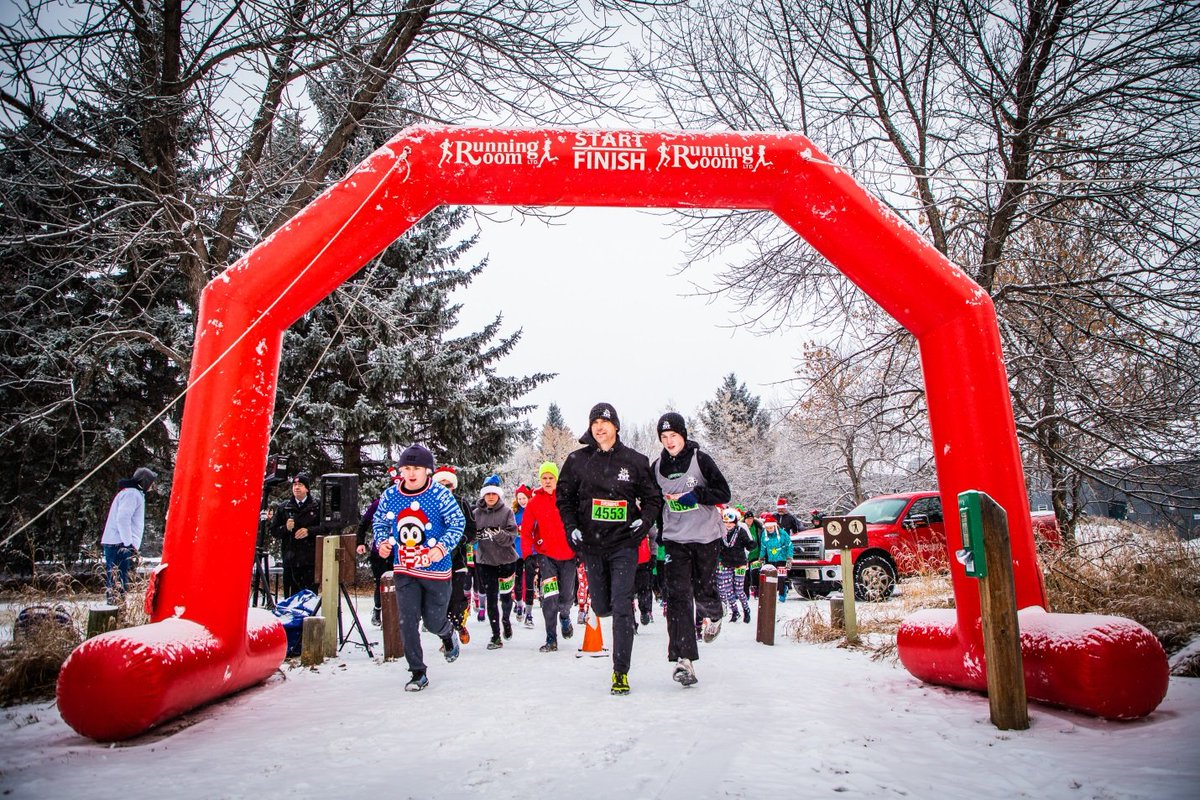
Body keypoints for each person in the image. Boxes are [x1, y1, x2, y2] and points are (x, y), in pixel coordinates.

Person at [556, 402, 663, 695]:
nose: (599, 427)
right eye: (594, 422)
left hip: (623, 545)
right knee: (603, 606)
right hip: (592, 544)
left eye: (605, 421)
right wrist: (571, 527)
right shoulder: (577, 460)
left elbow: (654, 499)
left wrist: (642, 524)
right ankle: (609, 614)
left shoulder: (635, 461)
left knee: (622, 605)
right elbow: (563, 498)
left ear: (616, 425)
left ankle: (620, 672)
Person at [373, 444, 467, 692]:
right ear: (401, 470)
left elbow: (457, 523)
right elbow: (380, 522)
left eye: (417, 468)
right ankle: (417, 672)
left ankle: (447, 634)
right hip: (405, 568)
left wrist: (441, 548)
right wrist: (382, 543)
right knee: (407, 621)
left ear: (427, 471)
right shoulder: (391, 495)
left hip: (436, 569)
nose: (411, 473)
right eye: (407, 468)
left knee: (434, 621)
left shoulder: (439, 494)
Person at [650, 412, 731, 688]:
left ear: (683, 435)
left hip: (706, 536)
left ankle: (715, 613)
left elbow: (724, 493)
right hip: (675, 539)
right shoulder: (657, 466)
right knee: (678, 597)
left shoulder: (701, 460)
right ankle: (684, 660)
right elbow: (650, 500)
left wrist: (695, 495)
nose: (669, 441)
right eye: (664, 437)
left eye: (673, 436)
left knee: (702, 588)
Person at [519, 461, 578, 652]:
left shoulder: (567, 498)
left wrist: (582, 549)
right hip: (546, 557)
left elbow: (579, 524)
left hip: (568, 555)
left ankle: (565, 616)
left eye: (551, 477)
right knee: (550, 598)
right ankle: (551, 638)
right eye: (544, 478)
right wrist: (529, 555)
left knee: (567, 596)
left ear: (556, 479)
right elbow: (526, 531)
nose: (547, 481)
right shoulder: (534, 502)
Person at [474, 474, 520, 649]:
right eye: (488, 494)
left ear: (499, 495)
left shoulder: (507, 512)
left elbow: (511, 537)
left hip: (507, 560)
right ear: (483, 496)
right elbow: (469, 537)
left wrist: (497, 533)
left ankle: (506, 620)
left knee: (506, 596)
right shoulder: (476, 513)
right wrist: (477, 536)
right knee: (491, 598)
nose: (491, 497)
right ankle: (495, 635)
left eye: (494, 494)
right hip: (486, 562)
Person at [100, 466, 157, 604]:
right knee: (117, 581)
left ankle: (116, 609)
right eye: (151, 482)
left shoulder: (130, 492)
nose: (152, 486)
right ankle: (116, 610)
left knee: (117, 580)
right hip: (119, 544)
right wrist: (128, 544)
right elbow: (123, 518)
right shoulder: (132, 494)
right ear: (144, 482)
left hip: (117, 543)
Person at [433, 464, 476, 644]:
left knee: (457, 595)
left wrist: (461, 540)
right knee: (440, 597)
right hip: (435, 558)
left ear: (453, 486)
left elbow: (472, 528)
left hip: (457, 557)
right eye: (441, 484)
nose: (445, 488)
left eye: (448, 485)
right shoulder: (430, 503)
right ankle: (447, 636)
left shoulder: (461, 502)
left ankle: (458, 623)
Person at [269, 472, 322, 597]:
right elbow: (274, 531)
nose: (297, 487)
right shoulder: (285, 508)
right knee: (291, 598)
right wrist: (285, 528)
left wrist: (309, 531)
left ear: (307, 488)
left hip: (310, 560)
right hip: (291, 560)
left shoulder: (317, 506)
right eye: (295, 485)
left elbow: (326, 528)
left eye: (300, 485)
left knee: (309, 597)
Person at [718, 508, 754, 623]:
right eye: (726, 522)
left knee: (738, 590)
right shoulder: (720, 533)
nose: (728, 525)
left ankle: (746, 609)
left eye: (730, 523)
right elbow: (716, 547)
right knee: (728, 590)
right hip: (725, 563)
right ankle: (735, 611)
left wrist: (751, 544)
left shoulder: (740, 531)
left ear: (735, 522)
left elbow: (747, 543)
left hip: (740, 563)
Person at [512, 484, 536, 626]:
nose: (522, 501)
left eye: (524, 498)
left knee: (529, 581)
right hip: (517, 551)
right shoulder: (514, 513)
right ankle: (519, 604)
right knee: (518, 580)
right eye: (519, 498)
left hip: (531, 551)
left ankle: (529, 613)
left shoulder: (534, 510)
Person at [758, 512, 794, 602]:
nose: (769, 530)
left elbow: (789, 545)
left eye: (771, 528)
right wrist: (761, 557)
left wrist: (789, 558)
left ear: (774, 526)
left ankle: (782, 594)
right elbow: (763, 547)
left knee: (781, 577)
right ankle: (772, 593)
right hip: (771, 557)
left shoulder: (783, 534)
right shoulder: (764, 535)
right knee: (772, 576)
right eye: (767, 528)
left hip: (782, 557)